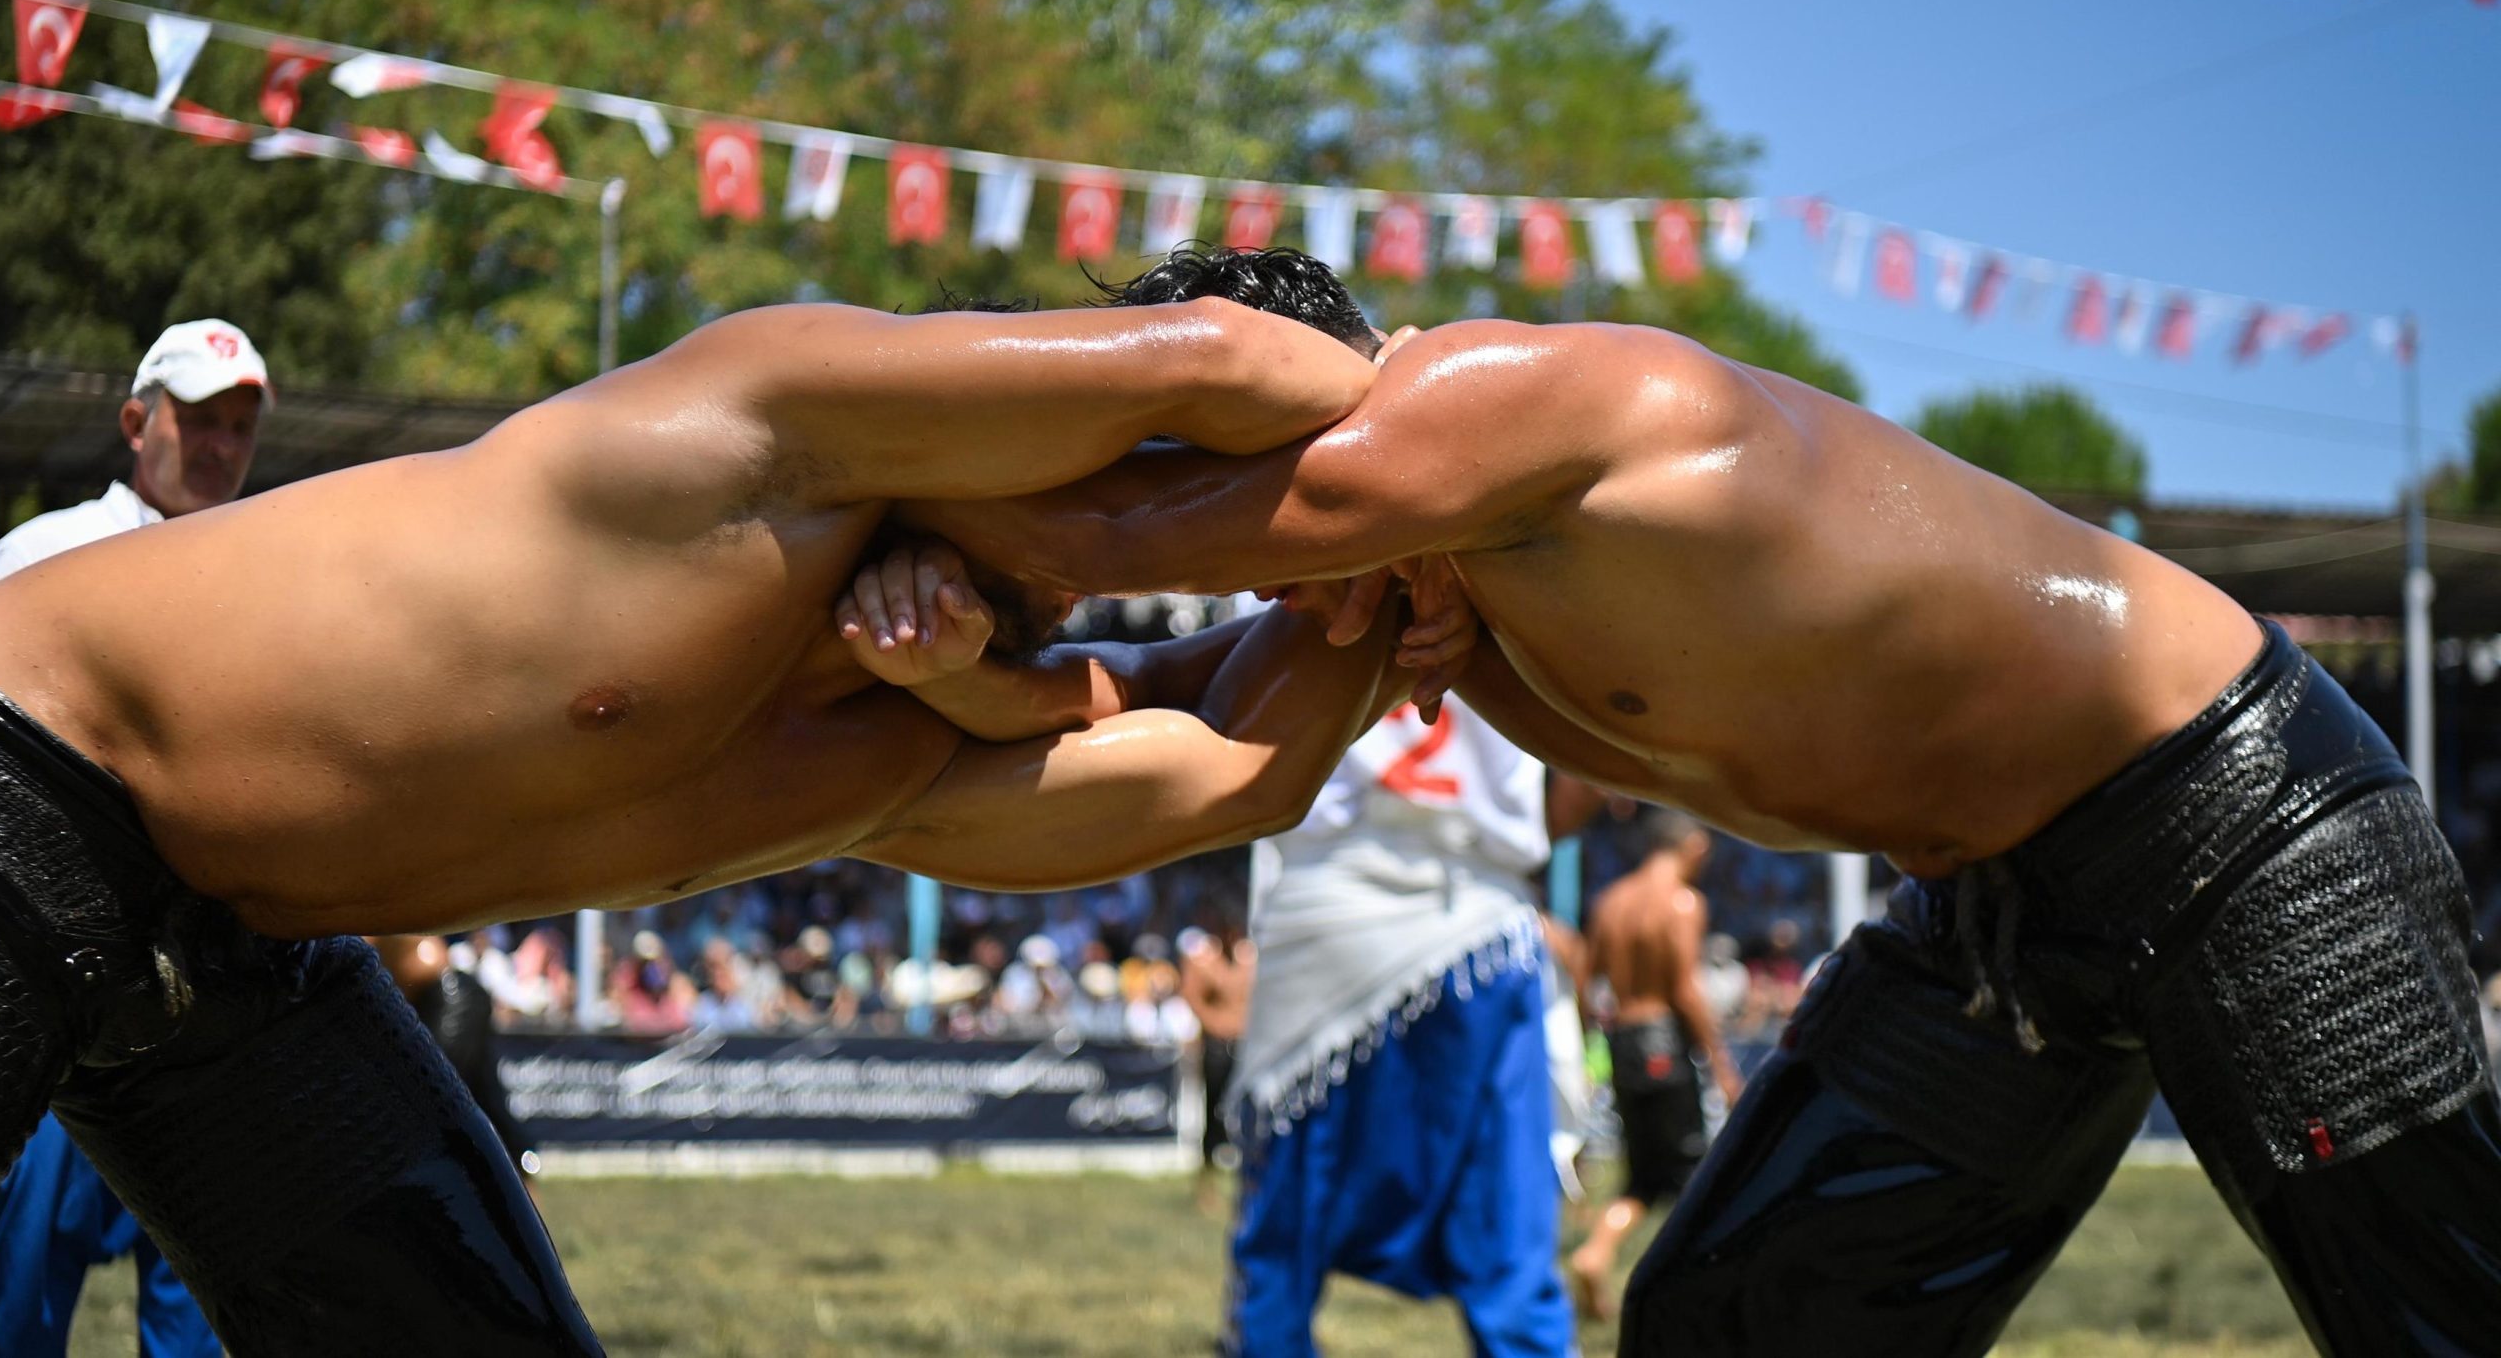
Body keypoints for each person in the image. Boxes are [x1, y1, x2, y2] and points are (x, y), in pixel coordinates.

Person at [917, 264, 2501, 1357]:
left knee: (2440, 1312)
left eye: (1226, 479)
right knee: (1737, 1317)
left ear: (1308, 405)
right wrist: (928, 645)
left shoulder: (1493, 392)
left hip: (2237, 811)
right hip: (2003, 904)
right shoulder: (1399, 573)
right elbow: (1169, 684)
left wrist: (890, 498)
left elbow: (1137, 537)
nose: (1283, 595)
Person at [0, 290, 1404, 1354]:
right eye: (1144, 507)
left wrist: (1399, 584)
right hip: (4, 779)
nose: (1105, 567)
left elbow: (1242, 769)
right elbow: (1211, 354)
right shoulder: (761, 418)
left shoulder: (884, 748)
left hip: (243, 962)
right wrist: (1428, 434)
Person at [0, 318, 269, 1358]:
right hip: (58, 1014)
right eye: (199, 418)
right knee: (18, 1317)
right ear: (138, 421)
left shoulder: (273, 578)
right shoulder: (44, 554)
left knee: (197, 1322)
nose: (221, 444)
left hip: (204, 1011)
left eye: (240, 425)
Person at [1221, 693, 1576, 1358]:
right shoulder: (1549, 586)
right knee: (1507, 1212)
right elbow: (1588, 770)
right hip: (1481, 910)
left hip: (1329, 904)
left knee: (1284, 1224)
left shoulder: (1263, 585)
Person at [1567, 810, 1741, 1323]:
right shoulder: (1682, 903)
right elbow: (1686, 988)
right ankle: (1699, 1292)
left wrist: (1590, 1041)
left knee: (1644, 1176)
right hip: (1663, 1041)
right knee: (1694, 1176)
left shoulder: (1612, 900)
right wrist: (1722, 1061)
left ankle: (1595, 1251)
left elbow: (1584, 977)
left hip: (1621, 1040)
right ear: (1689, 846)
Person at [372, 933, 540, 1187]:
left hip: (450, 997)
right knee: (481, 1095)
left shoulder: (352, 914)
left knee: (428, 1095)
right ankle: (521, 1161)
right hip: (441, 997)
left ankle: (518, 1165)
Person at [1175, 920, 1253, 1215]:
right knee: (1214, 1113)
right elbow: (1192, 995)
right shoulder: (1204, 960)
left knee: (1244, 1116)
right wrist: (1215, 1024)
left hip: (1244, 1045)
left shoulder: (1249, 958)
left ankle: (1245, 1184)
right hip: (1218, 1047)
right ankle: (1206, 1184)